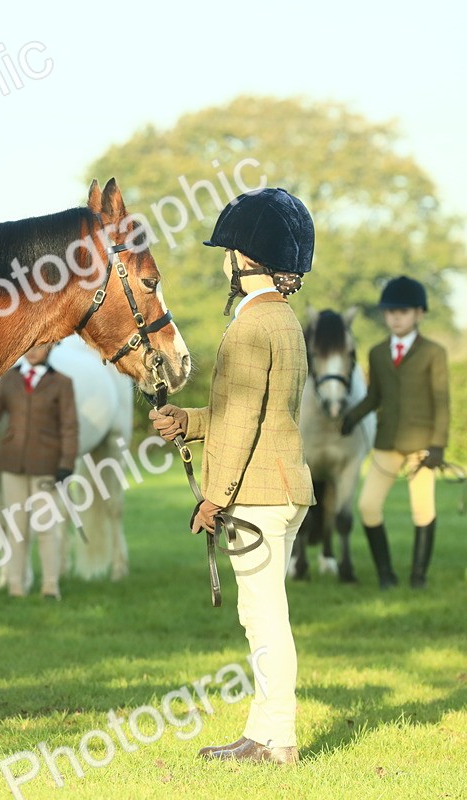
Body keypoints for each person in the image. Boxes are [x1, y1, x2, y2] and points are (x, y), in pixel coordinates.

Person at [149, 188, 315, 765]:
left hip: (259, 495)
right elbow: (252, 414)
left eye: (228, 251)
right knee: (261, 613)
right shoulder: (284, 320)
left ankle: (277, 739)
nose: (224, 259)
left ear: (244, 259)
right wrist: (187, 422)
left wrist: (213, 500)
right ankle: (265, 733)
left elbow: (244, 422)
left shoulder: (249, 326)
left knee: (264, 617)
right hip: (284, 486)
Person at [340, 277, 448, 590]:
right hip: (386, 443)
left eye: (402, 311)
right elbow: (375, 397)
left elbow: (442, 401)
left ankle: (418, 577)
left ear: (419, 314)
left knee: (423, 508)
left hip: (422, 447)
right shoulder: (376, 353)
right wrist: (352, 417)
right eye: (390, 312)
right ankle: (386, 574)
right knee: (368, 506)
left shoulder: (433, 353)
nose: (395, 317)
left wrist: (438, 445)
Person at [0, 342, 78, 599]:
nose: (33, 351)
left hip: (46, 466)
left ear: (51, 349)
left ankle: (50, 587)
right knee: (16, 528)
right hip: (11, 466)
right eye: (30, 346)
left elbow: (70, 427)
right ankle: (16, 588)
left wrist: (66, 464)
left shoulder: (62, 384)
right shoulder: (9, 380)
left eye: (40, 347)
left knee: (45, 528)